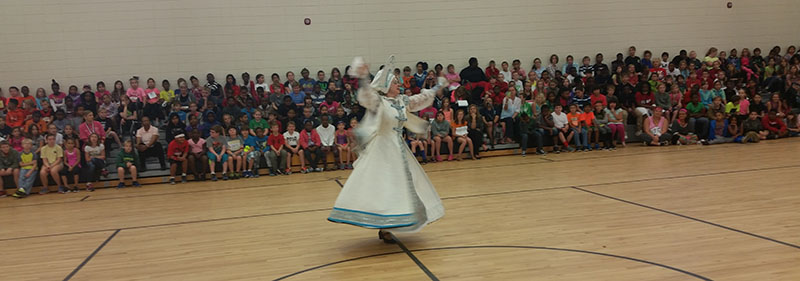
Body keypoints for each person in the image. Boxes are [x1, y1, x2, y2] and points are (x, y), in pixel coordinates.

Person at [328, 57, 445, 243]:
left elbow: (420, 100)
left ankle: (393, 224)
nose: (398, 84)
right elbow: (366, 95)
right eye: (394, 82)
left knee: (402, 187)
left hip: (398, 148)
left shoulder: (402, 100)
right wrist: (364, 77)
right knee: (383, 187)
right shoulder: (380, 102)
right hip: (382, 149)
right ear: (386, 86)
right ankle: (383, 225)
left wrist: (436, 87)